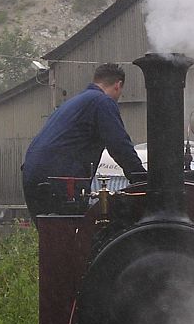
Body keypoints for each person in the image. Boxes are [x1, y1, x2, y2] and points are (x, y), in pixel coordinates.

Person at [21, 62, 146, 220]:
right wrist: (141, 179)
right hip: (60, 179)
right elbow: (119, 145)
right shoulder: (102, 102)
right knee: (77, 237)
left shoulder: (74, 103)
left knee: (53, 239)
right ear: (118, 85)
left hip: (32, 175)